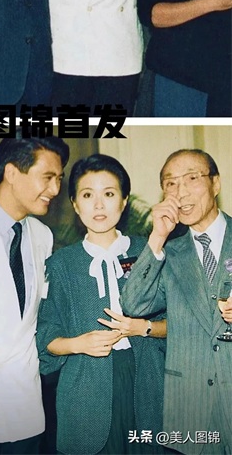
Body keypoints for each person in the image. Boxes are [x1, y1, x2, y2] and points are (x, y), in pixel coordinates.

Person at [38, 154, 166, 455]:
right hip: (85, 388)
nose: (98, 205)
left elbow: (179, 324)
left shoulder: (150, 251)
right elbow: (45, 336)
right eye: (87, 195)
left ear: (124, 201)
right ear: (74, 204)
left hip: (147, 382)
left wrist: (144, 328)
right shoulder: (60, 264)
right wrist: (78, 343)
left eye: (108, 194)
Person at [121, 149, 232, 455]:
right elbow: (133, 305)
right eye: (171, 183)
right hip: (191, 405)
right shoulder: (168, 252)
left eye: (192, 179)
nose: (181, 192)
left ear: (215, 183)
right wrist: (157, 237)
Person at [0, 136, 69, 454]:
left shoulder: (42, 235)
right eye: (47, 177)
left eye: (59, 179)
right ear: (11, 172)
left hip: (25, 404)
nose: (55, 189)